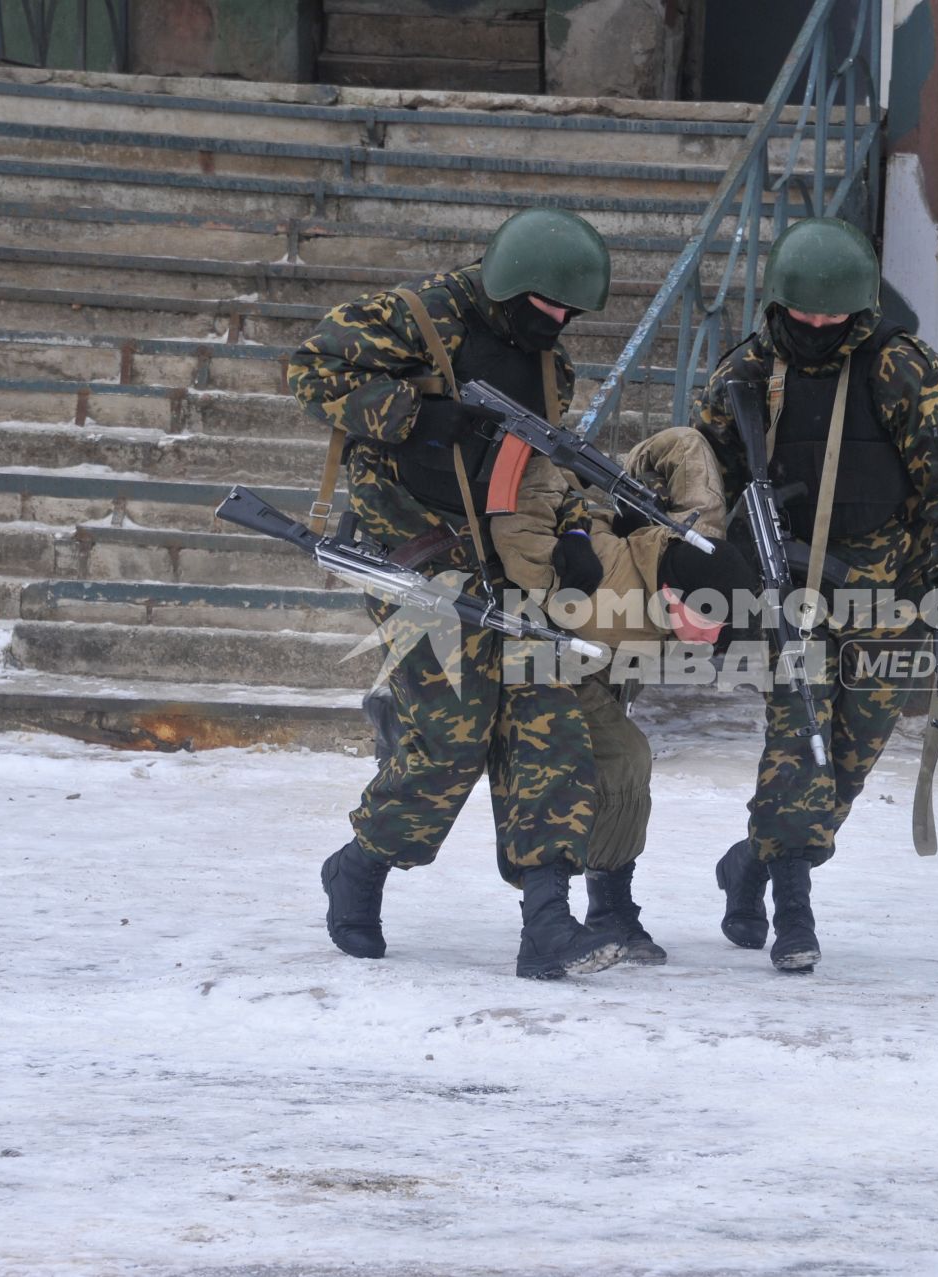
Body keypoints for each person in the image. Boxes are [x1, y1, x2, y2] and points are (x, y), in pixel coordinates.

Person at [286, 207, 746, 978]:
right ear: (509, 284)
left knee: (549, 717)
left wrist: (569, 532)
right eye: (547, 307)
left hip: (505, 564)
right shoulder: (413, 318)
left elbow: (544, 470)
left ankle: (546, 923)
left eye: (571, 313)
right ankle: (360, 865)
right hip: (414, 559)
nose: (559, 321)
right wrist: (420, 417)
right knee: (453, 735)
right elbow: (309, 368)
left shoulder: (547, 367)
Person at [689, 217, 938, 972]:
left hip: (886, 600)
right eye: (806, 314)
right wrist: (710, 576)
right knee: (798, 742)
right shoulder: (746, 375)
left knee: (847, 765)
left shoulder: (901, 369)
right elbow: (703, 482)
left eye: (835, 317)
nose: (819, 327)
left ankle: (750, 864)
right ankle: (793, 914)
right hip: (785, 596)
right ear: (780, 303)